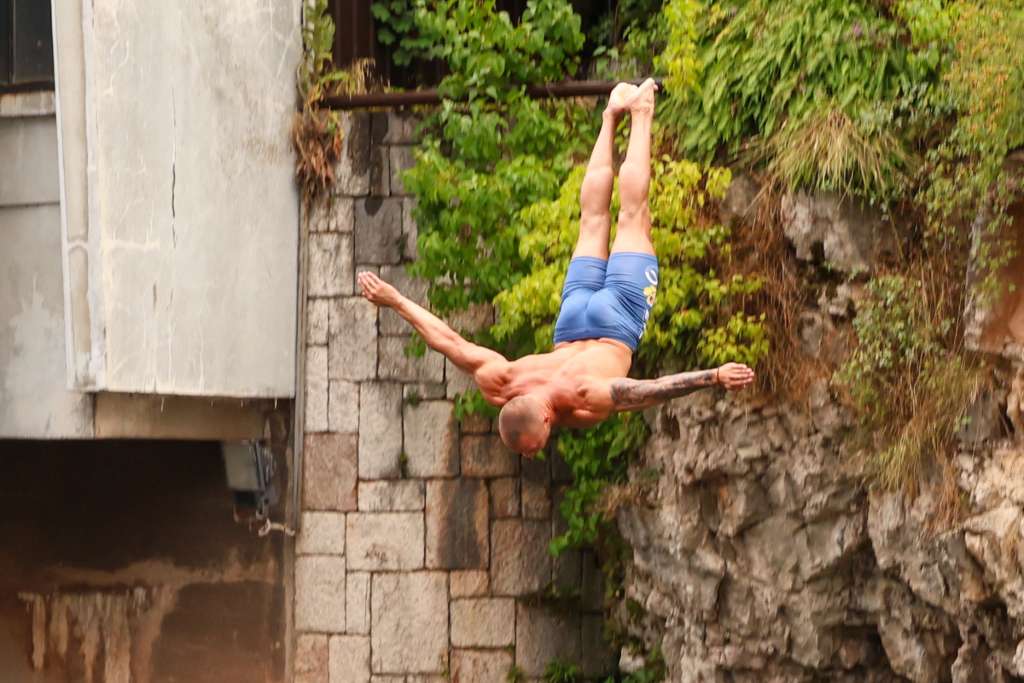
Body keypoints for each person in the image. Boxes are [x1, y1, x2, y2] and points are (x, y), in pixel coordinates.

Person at [357, 78, 755, 457]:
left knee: (634, 216)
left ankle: (642, 110)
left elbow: (651, 390)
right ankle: (611, 114)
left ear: (546, 419)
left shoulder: (584, 396)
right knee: (592, 220)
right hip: (571, 320)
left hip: (617, 322)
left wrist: (714, 376)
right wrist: (394, 299)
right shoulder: (501, 381)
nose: (533, 455)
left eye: (533, 447)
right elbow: (449, 343)